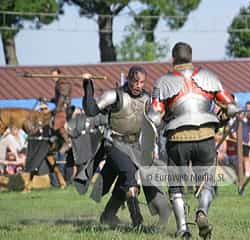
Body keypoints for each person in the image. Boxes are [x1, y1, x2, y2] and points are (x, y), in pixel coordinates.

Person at [146, 42, 240, 239]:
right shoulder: (210, 77)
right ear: (191, 57)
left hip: (177, 138)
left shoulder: (163, 82)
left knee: (175, 185)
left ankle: (182, 228)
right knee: (207, 181)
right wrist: (224, 115)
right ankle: (202, 211)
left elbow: (155, 114)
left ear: (173, 58)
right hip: (205, 136)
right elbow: (230, 106)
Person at [81, 65, 171, 229]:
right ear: (128, 79)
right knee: (129, 174)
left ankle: (108, 215)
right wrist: (88, 86)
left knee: (128, 179)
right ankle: (137, 222)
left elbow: (157, 120)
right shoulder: (114, 95)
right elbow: (91, 110)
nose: (138, 85)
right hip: (114, 143)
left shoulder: (148, 99)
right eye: (135, 81)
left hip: (135, 146)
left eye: (142, 82)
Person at [51, 68, 72, 154]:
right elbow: (58, 98)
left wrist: (57, 109)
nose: (53, 78)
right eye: (52, 76)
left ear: (59, 74)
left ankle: (67, 141)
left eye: (55, 76)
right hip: (61, 106)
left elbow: (62, 97)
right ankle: (58, 140)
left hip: (63, 108)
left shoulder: (62, 83)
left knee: (59, 124)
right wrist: (50, 100)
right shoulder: (58, 83)